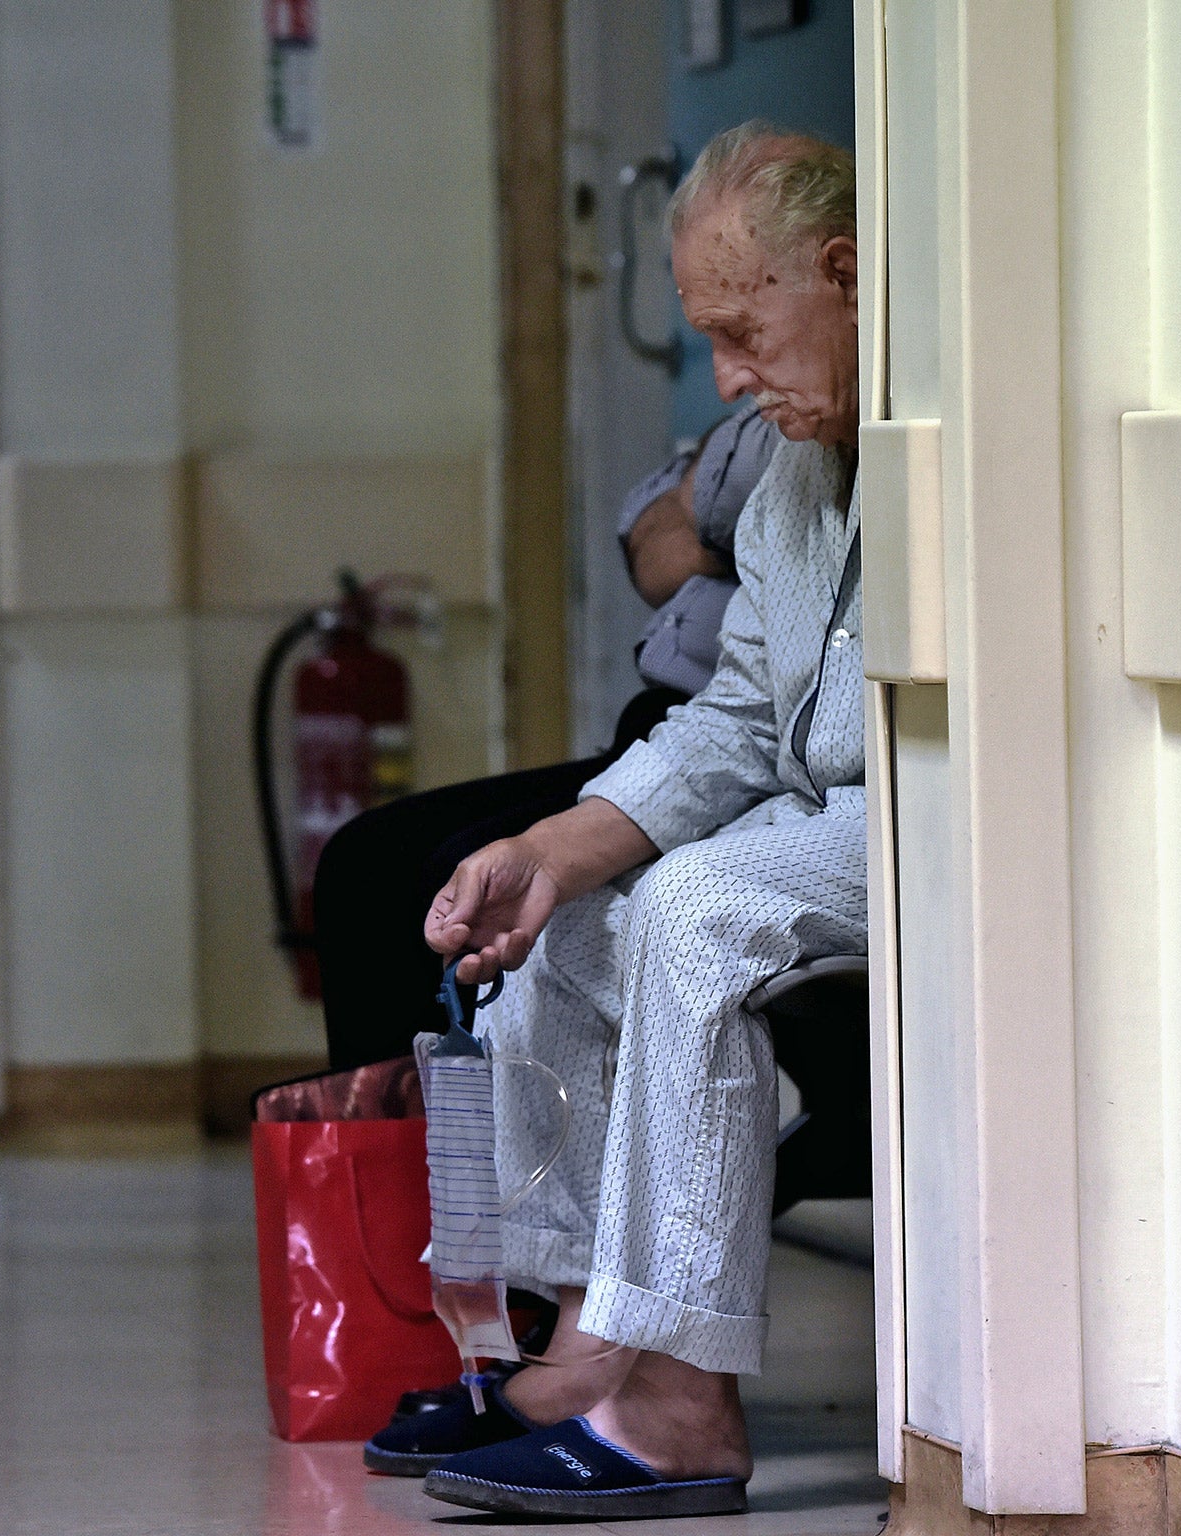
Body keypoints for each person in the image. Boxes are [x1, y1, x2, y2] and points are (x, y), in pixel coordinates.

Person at [367, 121, 864, 1520]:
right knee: (568, 926)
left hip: (936, 823)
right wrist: (547, 854)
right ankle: (590, 1342)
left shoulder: (956, 453)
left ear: (841, 273)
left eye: (744, 331)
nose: (728, 378)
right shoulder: (795, 480)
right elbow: (738, 722)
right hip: (811, 806)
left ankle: (681, 1401)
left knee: (694, 914)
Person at [310, 397, 780, 1072]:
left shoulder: (810, 429)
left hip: (740, 745)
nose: (729, 380)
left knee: (463, 893)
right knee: (361, 861)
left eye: (740, 334)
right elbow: (650, 545)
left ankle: (470, 1161)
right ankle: (396, 1164)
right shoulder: (762, 412)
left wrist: (708, 514)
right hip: (671, 722)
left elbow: (692, 530)